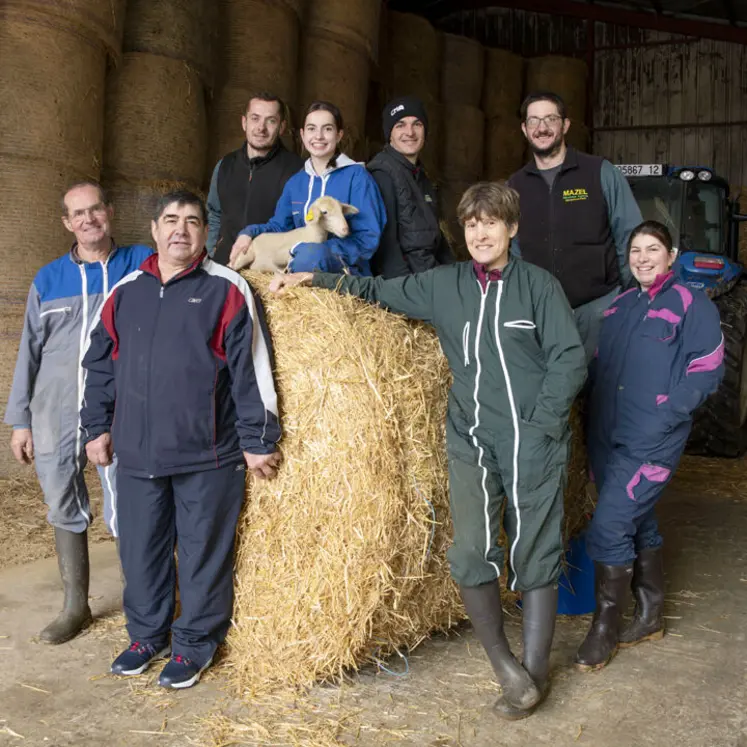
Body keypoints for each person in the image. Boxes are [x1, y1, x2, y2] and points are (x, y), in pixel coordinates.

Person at [269, 182, 587, 720]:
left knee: (535, 548)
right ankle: (506, 667)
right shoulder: (445, 285)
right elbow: (378, 291)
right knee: (471, 551)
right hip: (471, 438)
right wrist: (314, 278)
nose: (481, 233)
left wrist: (542, 425)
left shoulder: (539, 287)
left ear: (511, 228)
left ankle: (534, 673)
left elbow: (569, 358)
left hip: (533, 438)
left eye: (492, 222)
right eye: (471, 224)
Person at [81, 190, 281, 689]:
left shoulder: (228, 289)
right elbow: (98, 365)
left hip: (207, 454)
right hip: (137, 452)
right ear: (153, 229)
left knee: (201, 552)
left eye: (192, 221)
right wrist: (95, 427)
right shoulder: (127, 290)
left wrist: (258, 439)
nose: (181, 230)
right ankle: (146, 635)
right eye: (171, 220)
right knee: (140, 550)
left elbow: (251, 371)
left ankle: (194, 643)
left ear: (204, 233)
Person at [3, 182, 152, 645]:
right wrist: (21, 420)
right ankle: (75, 606)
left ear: (109, 212)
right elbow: (29, 351)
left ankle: (141, 605)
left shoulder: (140, 264)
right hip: (56, 405)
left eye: (95, 210)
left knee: (127, 499)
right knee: (61, 497)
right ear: (67, 223)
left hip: (120, 402)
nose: (88, 220)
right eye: (77, 214)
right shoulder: (48, 279)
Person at [575, 221, 724, 672]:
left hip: (651, 439)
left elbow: (708, 367)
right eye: (636, 250)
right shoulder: (619, 307)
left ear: (671, 254)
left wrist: (668, 411)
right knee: (637, 520)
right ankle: (651, 614)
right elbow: (599, 368)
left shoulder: (691, 304)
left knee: (609, 526)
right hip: (607, 434)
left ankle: (605, 628)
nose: (643, 257)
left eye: (652, 249)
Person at [507, 91, 643, 362]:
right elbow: (514, 250)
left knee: (600, 394)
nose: (542, 128)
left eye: (550, 119)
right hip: (541, 316)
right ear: (524, 129)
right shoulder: (515, 185)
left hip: (597, 311)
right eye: (533, 121)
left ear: (565, 125)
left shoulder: (600, 173)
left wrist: (622, 297)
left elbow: (630, 237)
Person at [229, 101, 386, 276]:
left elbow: (368, 237)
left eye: (327, 129)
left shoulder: (357, 177)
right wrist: (249, 233)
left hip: (345, 274)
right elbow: (280, 226)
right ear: (302, 135)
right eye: (311, 129)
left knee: (307, 256)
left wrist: (316, 252)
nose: (318, 136)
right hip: (298, 268)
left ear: (339, 135)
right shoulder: (296, 183)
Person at [206, 92, 303, 265]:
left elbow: (300, 225)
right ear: (244, 122)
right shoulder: (225, 165)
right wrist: (212, 252)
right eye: (255, 118)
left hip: (268, 270)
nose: (261, 128)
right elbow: (214, 213)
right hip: (224, 264)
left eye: (271, 120)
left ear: (282, 127)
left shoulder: (297, 170)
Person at [367, 95, 454, 277]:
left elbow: (437, 239)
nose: (410, 132)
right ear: (389, 133)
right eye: (400, 125)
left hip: (429, 273)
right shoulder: (382, 174)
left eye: (417, 124)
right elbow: (386, 246)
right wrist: (406, 290)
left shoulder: (421, 176)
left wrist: (456, 274)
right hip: (408, 281)